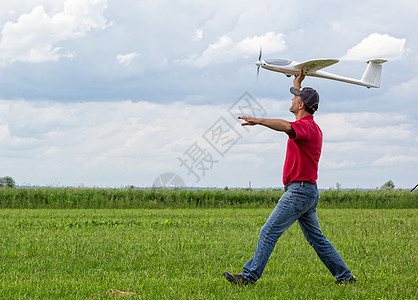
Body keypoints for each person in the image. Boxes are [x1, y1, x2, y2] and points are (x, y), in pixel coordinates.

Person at [223, 71, 356, 285]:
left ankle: (248, 277)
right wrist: (297, 83)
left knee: (268, 231)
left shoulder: (305, 129)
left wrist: (259, 120)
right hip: (307, 191)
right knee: (317, 240)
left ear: (301, 105)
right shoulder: (311, 126)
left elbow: (286, 126)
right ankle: (345, 277)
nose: (292, 99)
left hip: (299, 191)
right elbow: (294, 113)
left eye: (295, 98)